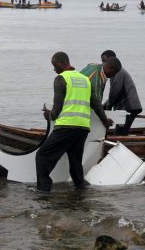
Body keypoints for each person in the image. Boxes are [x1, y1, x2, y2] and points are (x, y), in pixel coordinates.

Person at [36, 52, 113, 192]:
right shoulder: (85, 79)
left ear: (60, 63)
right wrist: (105, 121)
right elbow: (96, 104)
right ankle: (80, 188)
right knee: (75, 160)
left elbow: (57, 109)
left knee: (42, 156)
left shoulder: (61, 78)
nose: (54, 69)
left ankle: (43, 190)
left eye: (54, 66)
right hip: (82, 128)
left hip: (66, 126)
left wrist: (49, 115)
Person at [103, 57, 142, 135]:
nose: (102, 63)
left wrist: (107, 109)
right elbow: (113, 95)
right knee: (120, 131)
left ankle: (120, 145)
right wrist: (104, 105)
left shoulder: (118, 72)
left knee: (120, 133)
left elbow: (114, 93)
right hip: (125, 107)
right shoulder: (114, 72)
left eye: (104, 61)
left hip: (129, 107)